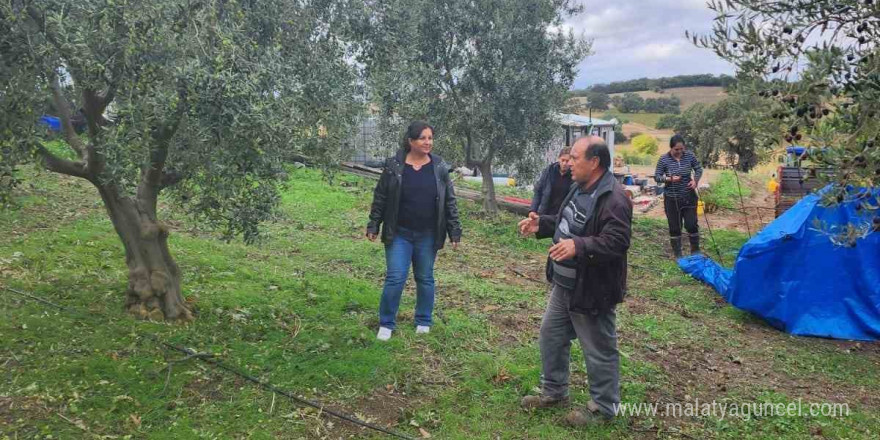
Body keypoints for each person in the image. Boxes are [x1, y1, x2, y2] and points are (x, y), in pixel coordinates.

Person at [517, 136, 633, 427]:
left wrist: (579, 246)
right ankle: (554, 392)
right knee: (551, 336)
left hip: (592, 288)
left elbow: (617, 241)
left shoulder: (613, 197)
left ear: (594, 162)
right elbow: (565, 220)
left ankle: (604, 409)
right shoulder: (579, 189)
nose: (568, 163)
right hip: (565, 284)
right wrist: (541, 224)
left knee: (599, 349)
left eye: (576, 158)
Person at [366, 121, 462, 341]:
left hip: (428, 234)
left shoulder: (439, 167)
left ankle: (423, 319)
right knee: (395, 278)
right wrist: (374, 224)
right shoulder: (394, 166)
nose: (428, 142)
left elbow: (450, 202)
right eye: (423, 138)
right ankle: (387, 323)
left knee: (425, 277)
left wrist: (454, 230)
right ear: (411, 141)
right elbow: (381, 197)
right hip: (399, 232)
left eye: (430, 138)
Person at [654, 134, 703, 257]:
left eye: (682, 149)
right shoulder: (664, 159)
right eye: (676, 149)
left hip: (689, 196)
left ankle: (695, 251)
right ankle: (678, 254)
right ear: (671, 148)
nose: (680, 152)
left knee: (691, 224)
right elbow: (657, 177)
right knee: (675, 227)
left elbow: (698, 168)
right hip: (671, 198)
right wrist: (669, 179)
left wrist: (695, 180)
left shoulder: (690, 156)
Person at [529, 147, 573, 216]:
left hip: (562, 215)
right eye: (563, 160)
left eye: (567, 161)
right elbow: (538, 190)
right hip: (545, 212)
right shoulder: (549, 171)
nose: (564, 163)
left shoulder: (574, 176)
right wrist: (533, 210)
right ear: (559, 159)